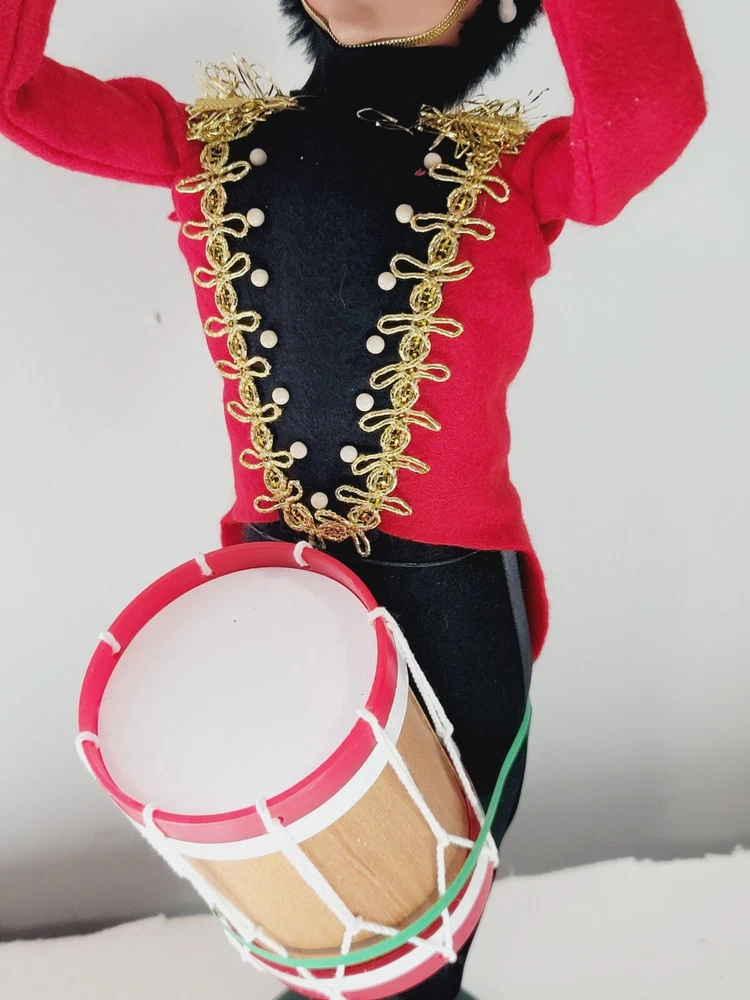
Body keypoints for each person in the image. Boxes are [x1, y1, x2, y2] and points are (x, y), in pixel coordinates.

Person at [0, 1, 705, 997]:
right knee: (288, 862)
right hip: (270, 580)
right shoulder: (204, 144)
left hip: (450, 594)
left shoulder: (511, 172)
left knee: (434, 881)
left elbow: (650, 115)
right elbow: (17, 91)